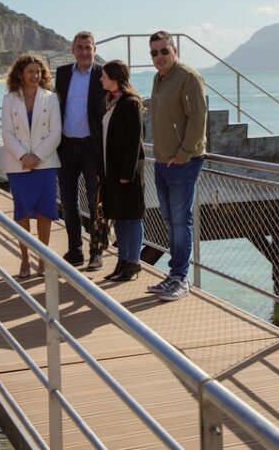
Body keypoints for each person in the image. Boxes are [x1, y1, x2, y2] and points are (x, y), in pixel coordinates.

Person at [145, 31, 208, 302]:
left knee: (181, 221)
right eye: (154, 53)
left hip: (183, 162)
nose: (159, 57)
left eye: (163, 51)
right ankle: (173, 275)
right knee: (170, 220)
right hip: (162, 160)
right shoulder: (159, 79)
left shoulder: (189, 76)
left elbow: (198, 116)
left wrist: (184, 153)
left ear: (175, 49)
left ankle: (181, 279)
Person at [1, 54, 62, 278]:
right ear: (21, 74)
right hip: (18, 166)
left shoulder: (51, 98)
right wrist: (23, 157)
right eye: (30, 72)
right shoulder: (9, 100)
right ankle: (25, 259)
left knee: (45, 213)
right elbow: (6, 133)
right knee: (22, 213)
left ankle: (43, 259)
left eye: (38, 71)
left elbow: (56, 132)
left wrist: (37, 156)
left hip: (45, 164)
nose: (35, 75)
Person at [55, 31, 103, 268]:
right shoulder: (62, 74)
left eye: (88, 47)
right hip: (66, 147)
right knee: (68, 202)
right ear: (72, 49)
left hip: (91, 148)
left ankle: (96, 252)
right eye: (80, 47)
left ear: (95, 49)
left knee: (96, 202)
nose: (84, 52)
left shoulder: (103, 74)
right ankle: (75, 251)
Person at [97, 60, 145, 280]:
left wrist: (127, 173)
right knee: (119, 217)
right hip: (111, 173)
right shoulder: (110, 101)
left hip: (127, 174)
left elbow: (134, 140)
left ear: (114, 77)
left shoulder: (130, 102)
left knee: (132, 217)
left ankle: (133, 262)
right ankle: (122, 260)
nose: (101, 79)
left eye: (104, 76)